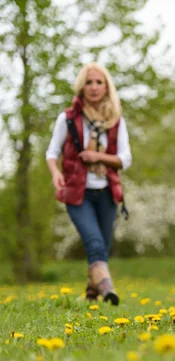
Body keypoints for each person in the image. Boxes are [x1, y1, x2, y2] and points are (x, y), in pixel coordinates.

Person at [46, 62, 132, 306]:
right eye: (88, 82)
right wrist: (55, 173)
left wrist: (98, 157)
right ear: (81, 86)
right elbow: (52, 152)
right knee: (94, 244)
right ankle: (108, 291)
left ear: (106, 87)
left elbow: (125, 159)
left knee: (102, 248)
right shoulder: (68, 118)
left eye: (99, 82)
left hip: (107, 193)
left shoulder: (115, 120)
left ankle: (91, 294)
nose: (93, 87)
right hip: (77, 193)